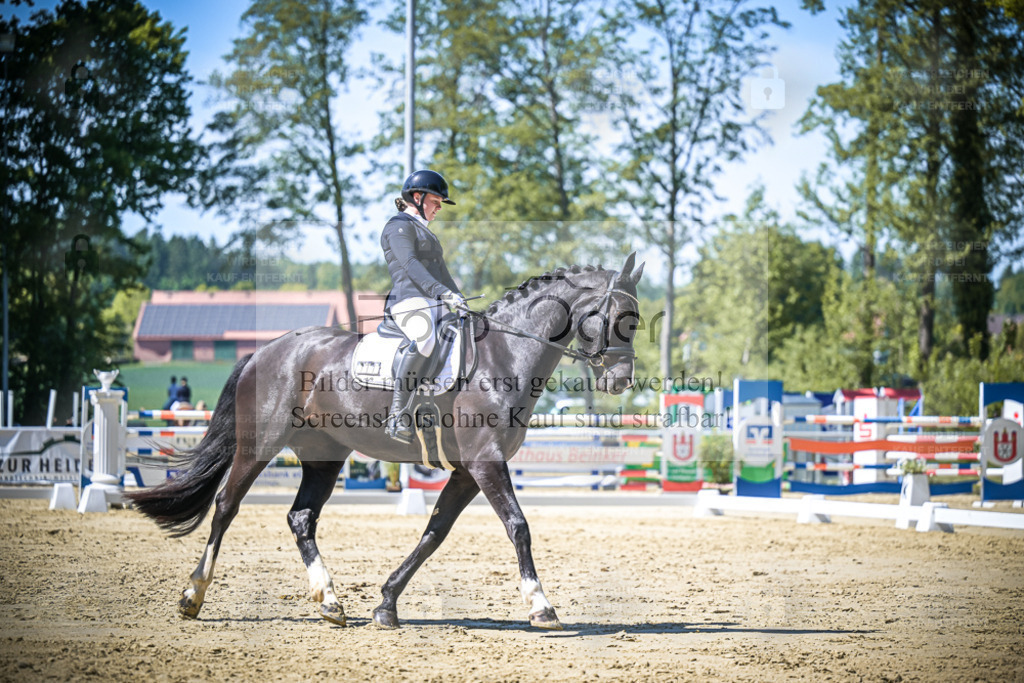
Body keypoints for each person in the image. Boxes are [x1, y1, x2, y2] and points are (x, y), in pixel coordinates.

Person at [380, 169, 466, 444]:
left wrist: (458, 298)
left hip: (433, 301)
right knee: (425, 338)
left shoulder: (427, 233)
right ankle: (397, 413)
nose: (439, 208)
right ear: (417, 197)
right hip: (409, 301)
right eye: (436, 201)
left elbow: (443, 273)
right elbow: (411, 266)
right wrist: (442, 293)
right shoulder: (398, 226)